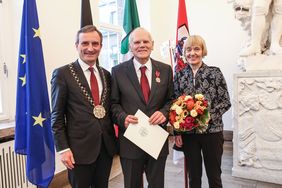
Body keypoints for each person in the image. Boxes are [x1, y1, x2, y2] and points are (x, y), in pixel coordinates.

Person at [51, 25, 117, 188]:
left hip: (105, 147)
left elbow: (109, 109)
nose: (90, 48)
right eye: (85, 43)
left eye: (95, 44)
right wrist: (63, 149)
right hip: (78, 150)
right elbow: (57, 116)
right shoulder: (63, 74)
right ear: (76, 46)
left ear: (101, 46)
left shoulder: (106, 74)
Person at [111, 27, 174, 188]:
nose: (141, 45)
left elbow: (171, 100)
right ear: (130, 46)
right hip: (130, 142)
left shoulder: (165, 70)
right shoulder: (118, 72)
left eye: (145, 41)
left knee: (157, 184)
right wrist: (123, 118)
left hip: (157, 140)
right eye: (137, 42)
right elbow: (113, 104)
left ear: (152, 45)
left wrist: (164, 112)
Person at [174, 35, 231, 188]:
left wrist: (203, 117)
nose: (192, 53)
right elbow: (174, 105)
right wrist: (177, 132)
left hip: (212, 132)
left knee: (214, 176)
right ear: (184, 53)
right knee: (193, 176)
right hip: (189, 134)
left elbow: (225, 101)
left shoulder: (215, 73)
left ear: (203, 51)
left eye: (196, 49)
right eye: (188, 49)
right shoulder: (179, 75)